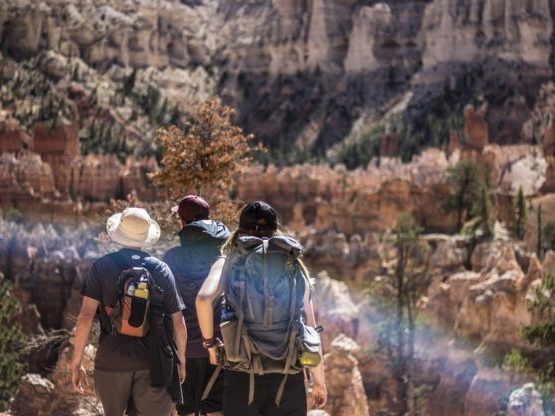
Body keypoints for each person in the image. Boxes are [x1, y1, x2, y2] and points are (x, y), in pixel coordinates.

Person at [196, 201, 327, 416]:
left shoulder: (229, 260)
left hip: (241, 371)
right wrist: (319, 381)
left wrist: (211, 346)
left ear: (240, 228)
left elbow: (203, 299)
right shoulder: (292, 263)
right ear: (276, 229)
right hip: (287, 373)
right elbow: (310, 328)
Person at [71, 207, 187, 416]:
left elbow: (86, 317)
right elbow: (178, 322)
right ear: (146, 237)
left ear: (119, 235)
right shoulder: (161, 270)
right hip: (155, 364)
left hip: (111, 360)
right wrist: (183, 362)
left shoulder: (101, 266)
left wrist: (76, 362)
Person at [163, 195, 230, 416]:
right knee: (216, 410)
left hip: (184, 350)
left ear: (182, 223)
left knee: (187, 410)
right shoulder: (222, 258)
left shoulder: (171, 258)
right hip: (218, 346)